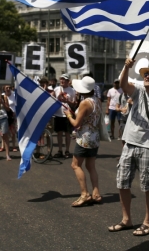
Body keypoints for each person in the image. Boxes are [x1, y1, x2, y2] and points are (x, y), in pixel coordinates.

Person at [108, 62, 149, 236]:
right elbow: (123, 85)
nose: (147, 76)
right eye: (146, 74)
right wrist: (126, 67)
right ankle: (126, 219)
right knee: (122, 183)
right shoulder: (139, 91)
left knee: (147, 186)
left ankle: (148, 222)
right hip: (129, 144)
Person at [64, 76, 102, 207]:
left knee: (75, 165)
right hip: (94, 137)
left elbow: (76, 123)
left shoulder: (85, 103)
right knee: (91, 166)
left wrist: (68, 115)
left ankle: (85, 194)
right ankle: (96, 193)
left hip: (85, 138)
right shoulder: (97, 100)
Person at [54, 74, 76, 159]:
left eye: (64, 80)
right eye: (61, 79)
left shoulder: (72, 90)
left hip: (67, 114)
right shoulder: (56, 89)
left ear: (68, 81)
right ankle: (60, 150)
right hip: (58, 114)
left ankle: (67, 150)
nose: (62, 81)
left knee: (67, 133)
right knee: (59, 133)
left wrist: (68, 101)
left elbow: (74, 103)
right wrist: (58, 97)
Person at [1, 85, 18, 152]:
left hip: (12, 115)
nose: (8, 89)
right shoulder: (2, 95)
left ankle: (13, 146)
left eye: (9, 88)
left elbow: (17, 105)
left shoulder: (14, 95)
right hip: (4, 115)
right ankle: (3, 146)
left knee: (13, 131)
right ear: (4, 89)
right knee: (3, 132)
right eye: (6, 88)